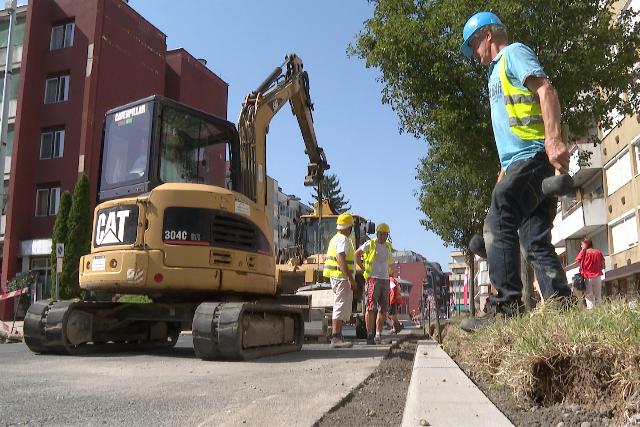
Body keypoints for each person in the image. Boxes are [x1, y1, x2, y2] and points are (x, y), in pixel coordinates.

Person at [459, 12, 572, 331]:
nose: (474, 54)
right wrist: (503, 174)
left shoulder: (513, 54)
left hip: (534, 155)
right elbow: (510, 131)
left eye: (473, 46)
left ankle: (507, 307)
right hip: (519, 162)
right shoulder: (495, 75)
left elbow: (546, 90)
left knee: (499, 216)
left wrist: (553, 141)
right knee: (534, 237)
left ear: (487, 37)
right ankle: (562, 307)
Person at [355, 223, 393, 345]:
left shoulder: (388, 246)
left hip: (385, 280)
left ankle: (378, 335)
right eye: (380, 234)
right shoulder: (370, 244)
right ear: (377, 234)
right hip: (373, 280)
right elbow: (357, 254)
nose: (382, 236)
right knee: (371, 308)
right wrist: (362, 268)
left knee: (383, 309)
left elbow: (389, 264)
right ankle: (370, 335)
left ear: (387, 235)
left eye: (385, 234)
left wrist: (391, 277)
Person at [322, 213, 356, 348]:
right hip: (341, 278)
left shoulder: (335, 238)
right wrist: (350, 278)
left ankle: (338, 336)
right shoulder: (343, 240)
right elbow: (340, 257)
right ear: (349, 227)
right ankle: (336, 337)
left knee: (340, 305)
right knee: (340, 306)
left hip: (337, 277)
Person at [575, 236, 605, 309]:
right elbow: (603, 265)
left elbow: (577, 260)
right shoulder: (598, 252)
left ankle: (592, 313)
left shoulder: (584, 253)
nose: (581, 246)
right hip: (597, 277)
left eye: (582, 244)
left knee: (589, 297)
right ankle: (600, 312)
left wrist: (582, 250)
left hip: (587, 277)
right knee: (598, 296)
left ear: (585, 244)